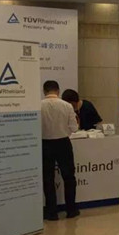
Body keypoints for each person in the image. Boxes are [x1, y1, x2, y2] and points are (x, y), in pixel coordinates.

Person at [41, 80, 79, 220]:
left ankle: (51, 212)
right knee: (69, 177)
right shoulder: (67, 106)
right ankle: (71, 210)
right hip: (63, 143)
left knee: (48, 178)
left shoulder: (38, 106)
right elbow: (74, 128)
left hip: (45, 144)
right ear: (58, 91)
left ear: (44, 91)